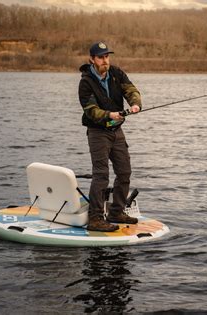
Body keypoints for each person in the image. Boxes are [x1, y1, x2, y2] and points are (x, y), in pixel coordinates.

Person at [78, 41, 141, 232]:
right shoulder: (86, 82)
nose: (105, 60)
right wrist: (109, 115)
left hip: (116, 131)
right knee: (101, 175)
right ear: (92, 59)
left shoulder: (116, 73)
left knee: (124, 171)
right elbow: (91, 111)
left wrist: (135, 104)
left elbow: (131, 90)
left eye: (107, 56)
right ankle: (96, 218)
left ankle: (116, 211)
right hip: (97, 132)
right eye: (100, 57)